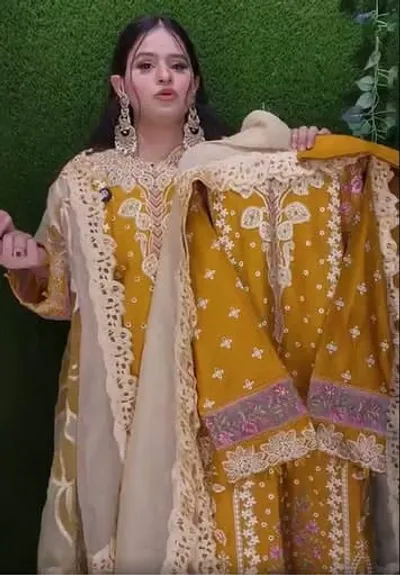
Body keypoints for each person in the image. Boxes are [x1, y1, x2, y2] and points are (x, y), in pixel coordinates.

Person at [0, 14, 329, 574]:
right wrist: (28, 261)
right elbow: (62, 294)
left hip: (210, 379)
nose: (164, 77)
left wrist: (305, 148)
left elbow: (284, 243)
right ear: (120, 85)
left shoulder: (230, 169)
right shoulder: (83, 180)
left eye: (177, 65)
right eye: (146, 65)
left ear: (194, 83)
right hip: (115, 390)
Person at [130, 112, 398, 574]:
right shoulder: (204, 177)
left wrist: (331, 151)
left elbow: (371, 255)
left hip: (315, 393)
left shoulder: (341, 170)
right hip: (239, 389)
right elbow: (200, 287)